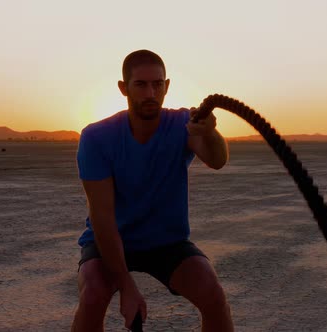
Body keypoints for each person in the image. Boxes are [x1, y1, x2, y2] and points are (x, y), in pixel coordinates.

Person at [71, 49, 234, 331]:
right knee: (93, 297)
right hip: (111, 239)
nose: (151, 93)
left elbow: (217, 160)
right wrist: (126, 285)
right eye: (141, 84)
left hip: (165, 242)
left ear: (167, 86)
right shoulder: (96, 137)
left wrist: (209, 131)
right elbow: (102, 218)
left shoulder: (183, 124)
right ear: (124, 88)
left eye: (158, 84)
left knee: (213, 295)